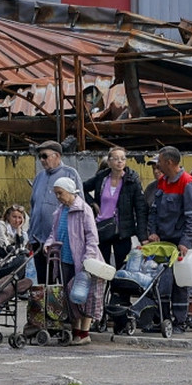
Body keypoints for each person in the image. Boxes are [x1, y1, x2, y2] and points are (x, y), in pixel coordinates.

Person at [144, 146, 192, 333]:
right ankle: (162, 319)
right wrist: (152, 232)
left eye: (159, 161)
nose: (157, 164)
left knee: (180, 283)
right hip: (162, 242)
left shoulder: (187, 183)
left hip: (178, 242)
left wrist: (185, 242)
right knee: (161, 281)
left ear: (169, 162)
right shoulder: (162, 182)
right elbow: (153, 211)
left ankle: (180, 321)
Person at [44, 177, 105, 345]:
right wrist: (49, 244)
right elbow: (54, 233)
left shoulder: (84, 210)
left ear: (70, 192)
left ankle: (85, 333)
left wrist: (88, 259)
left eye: (60, 193)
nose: (58, 197)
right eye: (56, 193)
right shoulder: (60, 211)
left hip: (83, 260)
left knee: (86, 295)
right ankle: (75, 330)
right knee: (70, 296)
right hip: (64, 259)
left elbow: (92, 238)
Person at [82, 147, 148, 269]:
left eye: (123, 159)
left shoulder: (132, 180)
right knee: (102, 267)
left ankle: (119, 288)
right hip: (102, 227)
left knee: (122, 266)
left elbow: (140, 209)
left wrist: (143, 236)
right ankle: (105, 288)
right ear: (109, 162)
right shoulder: (102, 177)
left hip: (122, 231)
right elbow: (81, 188)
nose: (120, 162)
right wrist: (93, 203)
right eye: (116, 159)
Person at [28, 141, 82, 283]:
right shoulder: (39, 177)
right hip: (38, 239)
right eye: (40, 156)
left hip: (61, 241)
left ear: (57, 155)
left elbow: (79, 206)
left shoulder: (70, 174)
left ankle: (65, 306)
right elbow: (33, 206)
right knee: (43, 282)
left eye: (45, 156)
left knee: (64, 281)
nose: (42, 160)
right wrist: (30, 235)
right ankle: (47, 306)